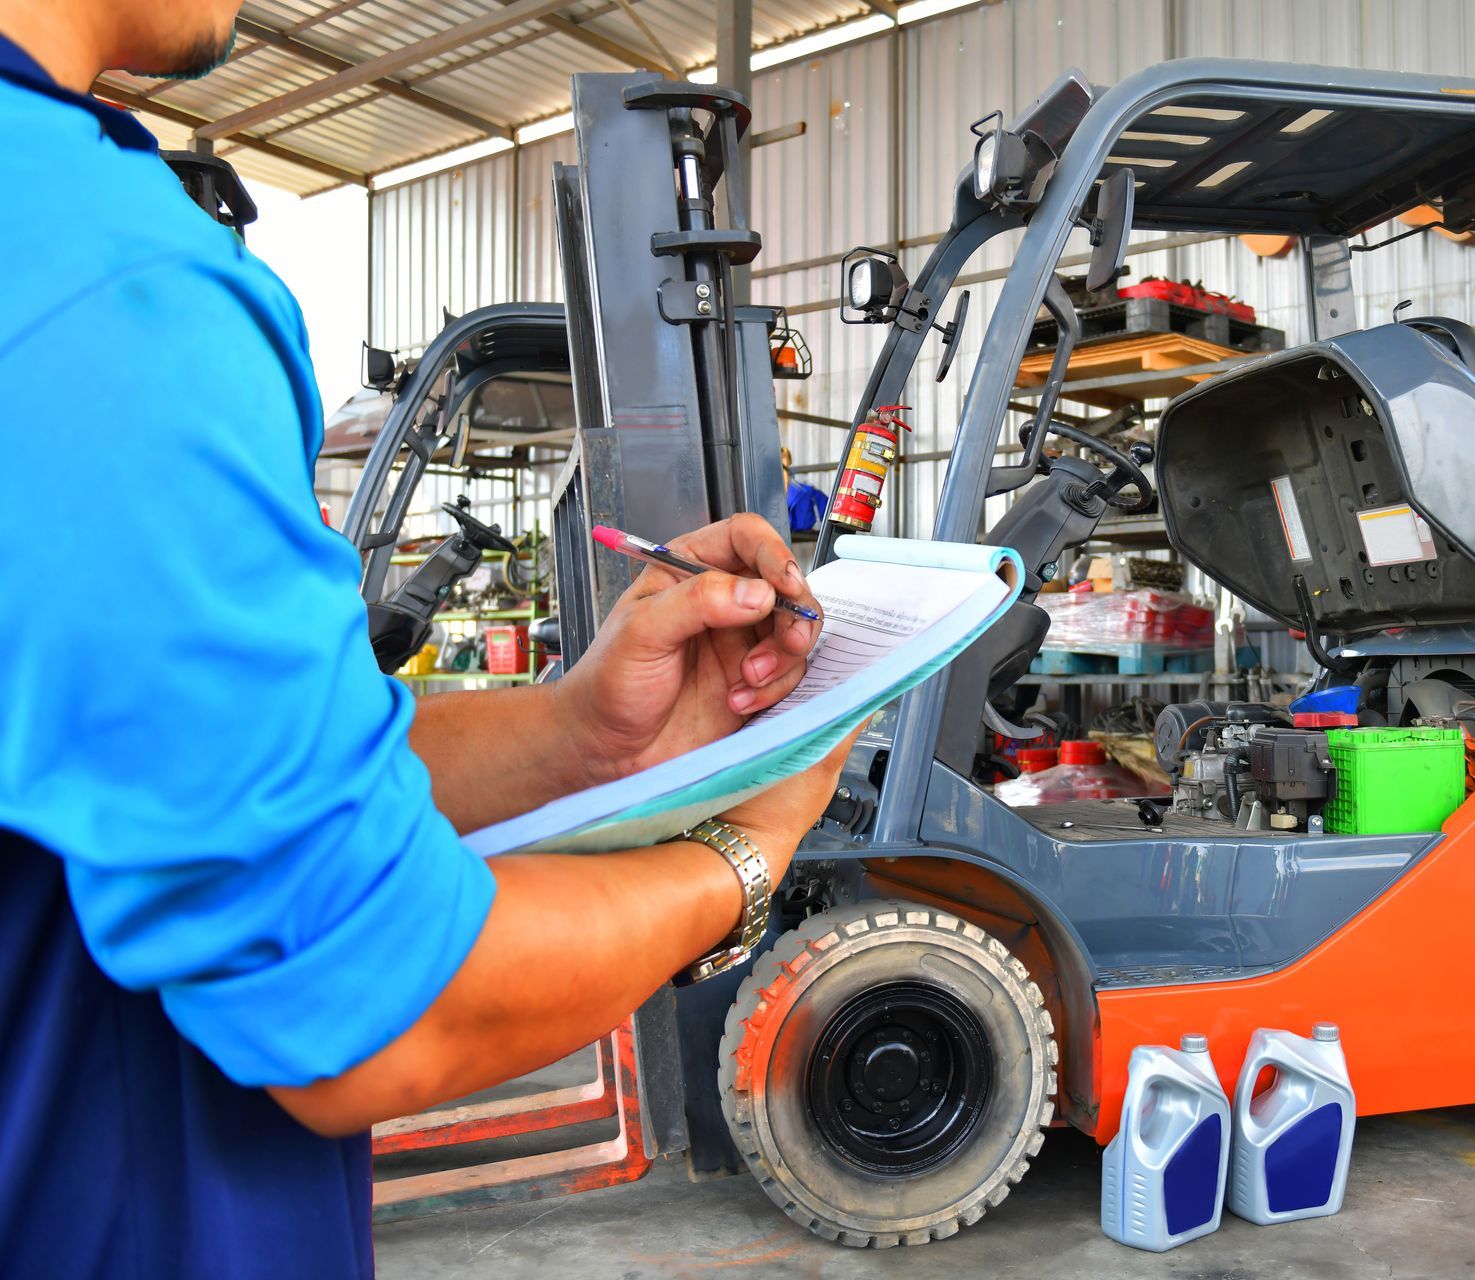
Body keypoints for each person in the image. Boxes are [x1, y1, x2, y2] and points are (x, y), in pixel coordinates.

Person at [0, 4, 854, 1276]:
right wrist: (746, 852)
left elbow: (223, 771)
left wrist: (576, 734)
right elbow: (378, 1008)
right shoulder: (105, 286)